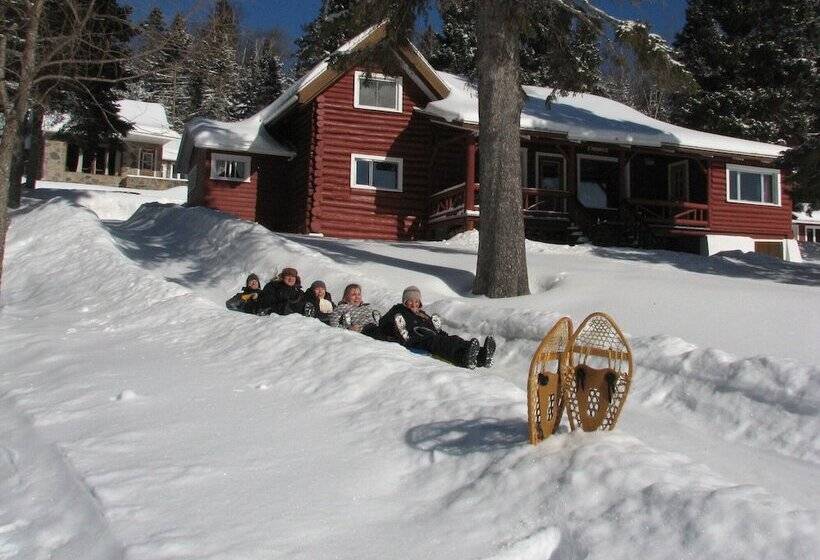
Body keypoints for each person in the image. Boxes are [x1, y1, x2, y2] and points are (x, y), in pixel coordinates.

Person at [380, 286, 495, 369]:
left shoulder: (423, 314)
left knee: (452, 339)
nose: (413, 304)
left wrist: (442, 333)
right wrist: (393, 329)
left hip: (429, 335)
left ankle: (482, 355)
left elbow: (435, 331)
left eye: (416, 301)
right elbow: (383, 322)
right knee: (438, 343)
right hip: (415, 339)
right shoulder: (398, 310)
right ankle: (464, 357)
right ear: (404, 301)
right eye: (410, 301)